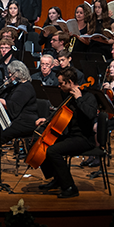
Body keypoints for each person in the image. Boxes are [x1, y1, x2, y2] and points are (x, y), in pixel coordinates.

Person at [36, 67, 98, 199]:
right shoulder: (67, 97)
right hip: (72, 136)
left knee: (53, 151)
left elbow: (91, 114)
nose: (59, 86)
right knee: (43, 144)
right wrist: (46, 120)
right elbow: (60, 114)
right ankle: (58, 179)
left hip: (84, 139)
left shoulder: (87, 96)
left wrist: (79, 99)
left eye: (61, 83)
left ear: (70, 82)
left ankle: (70, 187)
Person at [0, 61, 39, 175]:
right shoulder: (16, 85)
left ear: (18, 73)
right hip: (12, 116)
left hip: (23, 121)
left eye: (10, 73)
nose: (8, 76)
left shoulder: (25, 88)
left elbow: (14, 107)